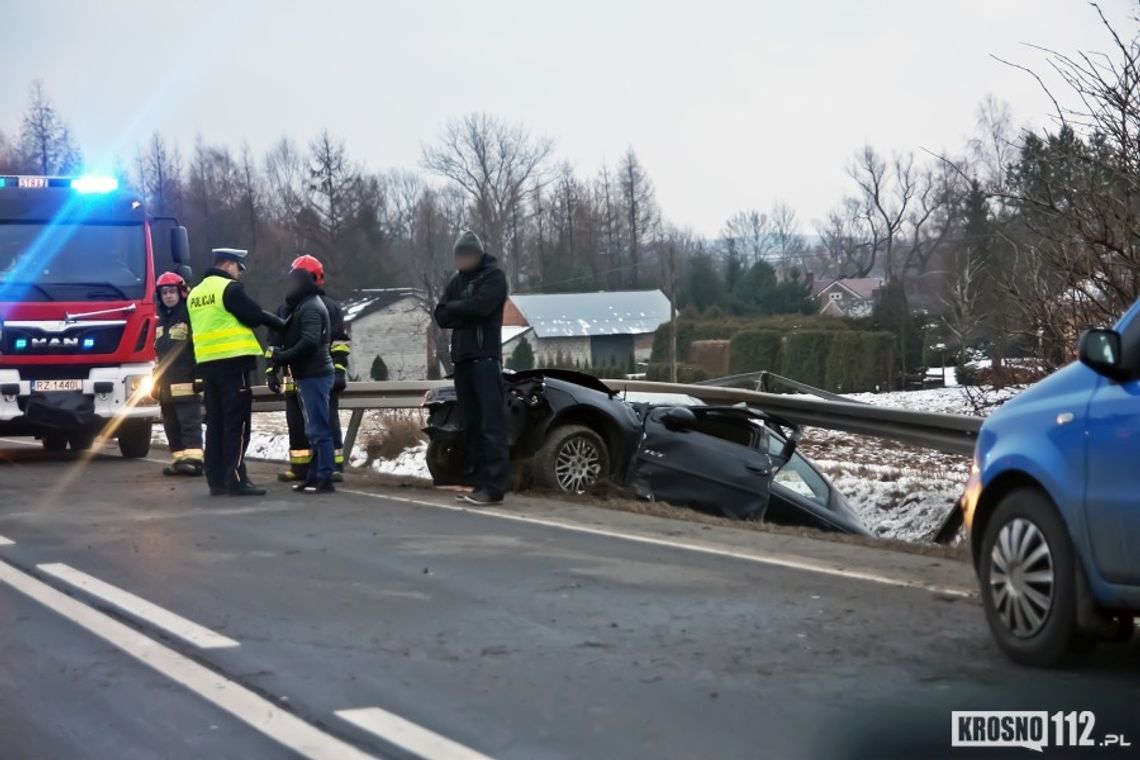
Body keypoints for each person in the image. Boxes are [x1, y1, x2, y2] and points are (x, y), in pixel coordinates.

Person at [187, 248, 283, 497]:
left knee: (216, 424)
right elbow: (252, 316)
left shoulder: (195, 293)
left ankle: (216, 480)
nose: (239, 274)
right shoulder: (229, 289)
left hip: (208, 365)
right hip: (233, 364)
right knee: (237, 424)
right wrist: (281, 324)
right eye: (239, 268)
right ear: (228, 265)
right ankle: (237, 478)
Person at [433, 230, 509, 505]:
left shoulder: (494, 277)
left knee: (491, 424)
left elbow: (482, 307)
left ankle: (495, 485)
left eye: (466, 256)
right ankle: (479, 482)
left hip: (485, 359)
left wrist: (458, 310)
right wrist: (460, 310)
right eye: (459, 257)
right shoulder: (456, 282)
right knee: (472, 425)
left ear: (476, 255)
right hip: (462, 361)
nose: (462, 262)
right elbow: (440, 315)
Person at [267, 255, 351, 483]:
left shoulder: (328, 307)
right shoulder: (283, 309)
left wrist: (340, 370)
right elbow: (273, 344)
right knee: (296, 424)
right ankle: (301, 468)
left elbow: (339, 342)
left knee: (325, 422)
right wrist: (270, 371)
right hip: (293, 379)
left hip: (319, 376)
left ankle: (331, 468)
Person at [154, 271, 203, 476]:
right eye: (164, 292)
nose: (168, 296)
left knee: (189, 423)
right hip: (165, 386)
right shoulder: (160, 320)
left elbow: (199, 347)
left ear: (181, 292)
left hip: (186, 381)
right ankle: (179, 459)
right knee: (171, 425)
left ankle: (194, 461)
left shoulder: (190, 314)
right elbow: (158, 355)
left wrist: (200, 377)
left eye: (172, 291)